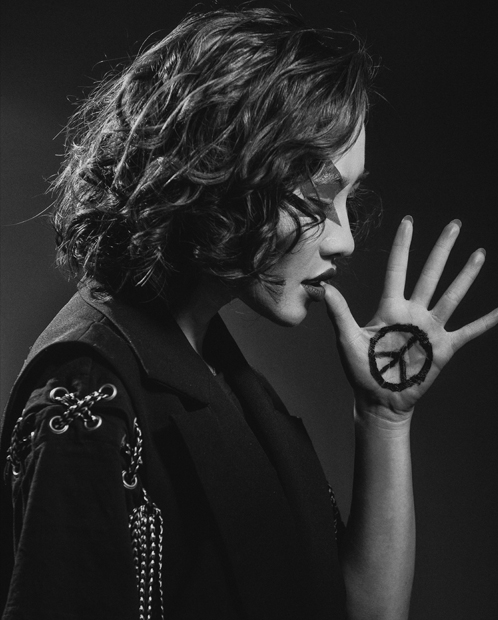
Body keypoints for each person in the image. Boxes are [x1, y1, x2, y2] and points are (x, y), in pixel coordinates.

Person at [1, 6, 497, 620]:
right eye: (318, 196)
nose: (344, 239)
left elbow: (361, 613)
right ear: (222, 170)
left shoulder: (223, 373)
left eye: (349, 197)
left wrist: (384, 417)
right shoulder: (91, 390)